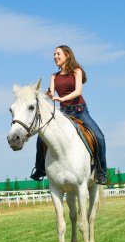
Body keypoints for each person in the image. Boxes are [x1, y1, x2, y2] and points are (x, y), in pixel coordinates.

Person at [30, 45, 108, 185]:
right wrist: (48, 94)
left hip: (80, 111)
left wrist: (62, 99)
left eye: (58, 54)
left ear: (67, 55)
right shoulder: (53, 76)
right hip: (64, 113)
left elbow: (78, 92)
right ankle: (40, 168)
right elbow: (52, 94)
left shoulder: (77, 71)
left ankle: (101, 172)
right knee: (41, 138)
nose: (55, 57)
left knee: (100, 138)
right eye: (54, 54)